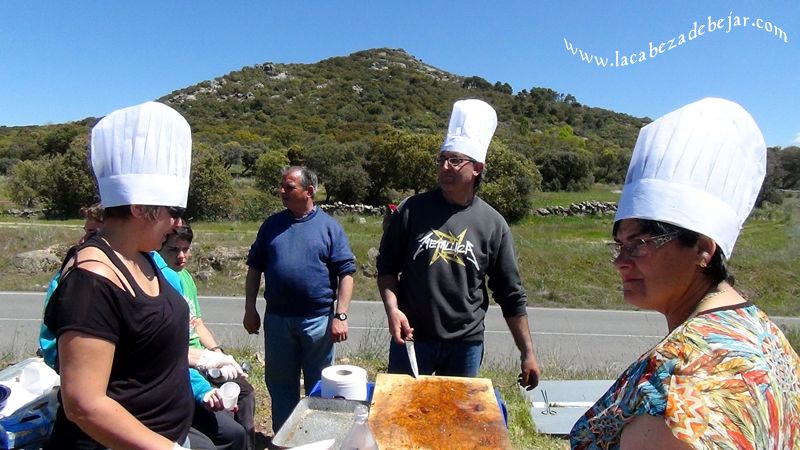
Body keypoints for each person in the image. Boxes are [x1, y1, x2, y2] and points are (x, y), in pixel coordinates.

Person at [570, 98, 800, 449]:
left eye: (640, 243)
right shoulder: (763, 332)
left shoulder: (684, 378)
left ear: (703, 249)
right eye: (619, 245)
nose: (620, 261)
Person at [42, 101, 202, 449]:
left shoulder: (141, 255)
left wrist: (204, 358)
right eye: (173, 211)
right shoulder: (91, 280)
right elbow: (84, 404)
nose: (177, 223)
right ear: (140, 208)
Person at [376, 99, 541, 388]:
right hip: (412, 337)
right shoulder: (411, 210)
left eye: (455, 160)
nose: (444, 167)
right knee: (403, 411)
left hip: (465, 345)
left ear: (477, 168)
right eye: (442, 159)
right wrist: (393, 310)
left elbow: (510, 294)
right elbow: (387, 267)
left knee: (457, 414)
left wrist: (527, 353)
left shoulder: (493, 224)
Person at [243, 165, 356, 433]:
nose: (281, 190)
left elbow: (346, 273)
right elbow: (254, 268)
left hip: (318, 322)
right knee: (280, 384)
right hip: (277, 320)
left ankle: (316, 437)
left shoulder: (329, 227)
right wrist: (249, 308)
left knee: (319, 385)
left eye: (289, 187)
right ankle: (285, 438)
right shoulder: (271, 225)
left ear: (309, 191)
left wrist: (340, 315)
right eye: (281, 185)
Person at [160, 224, 254, 450]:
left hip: (202, 359)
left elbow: (197, 323)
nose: (181, 256)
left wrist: (218, 354)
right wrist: (207, 362)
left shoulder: (186, 278)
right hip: (187, 366)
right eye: (174, 250)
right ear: (159, 249)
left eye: (185, 249)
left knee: (245, 393)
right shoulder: (161, 281)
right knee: (227, 425)